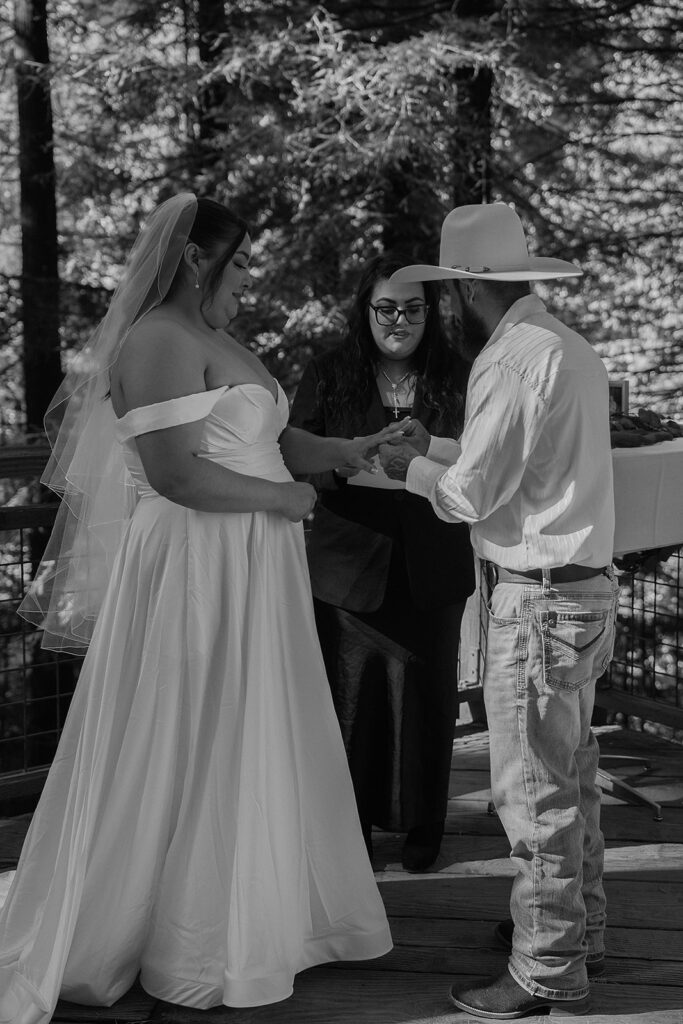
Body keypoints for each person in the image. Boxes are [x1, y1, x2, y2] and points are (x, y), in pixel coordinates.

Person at [0, 192, 396, 1023]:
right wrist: (281, 501)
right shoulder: (155, 341)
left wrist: (349, 452)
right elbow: (176, 474)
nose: (250, 279)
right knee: (192, 722)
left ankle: (263, 921)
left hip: (252, 558)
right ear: (195, 259)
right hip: (194, 561)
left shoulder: (220, 339)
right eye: (242, 261)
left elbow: (276, 441)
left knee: (251, 723)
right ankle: (185, 943)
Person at [378, 203, 619, 1019]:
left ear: (459, 291)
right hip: (584, 592)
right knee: (573, 776)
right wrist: (441, 446)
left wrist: (415, 465)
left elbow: (469, 497)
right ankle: (575, 931)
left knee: (533, 794)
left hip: (538, 605)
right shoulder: (564, 348)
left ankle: (544, 970)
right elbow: (526, 462)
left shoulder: (512, 362)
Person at [290, 254, 475, 872]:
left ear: (432, 312)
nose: (400, 320)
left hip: (432, 566)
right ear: (365, 310)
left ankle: (426, 828)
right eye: (387, 308)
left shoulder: (460, 375)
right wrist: (341, 466)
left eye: (413, 308)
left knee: (429, 702)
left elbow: (481, 459)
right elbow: (294, 454)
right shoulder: (328, 372)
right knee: (351, 706)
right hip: (348, 570)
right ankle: (354, 831)